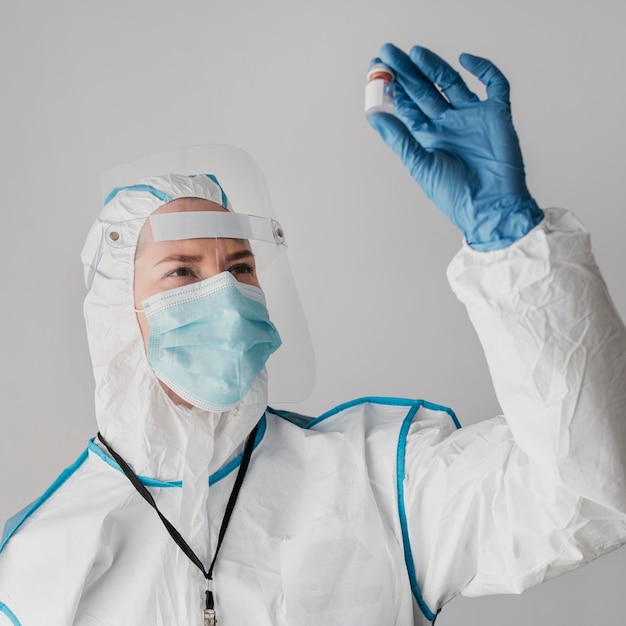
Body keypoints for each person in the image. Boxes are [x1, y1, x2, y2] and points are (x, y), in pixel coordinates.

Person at [1, 42, 625, 626]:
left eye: (241, 268)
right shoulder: (42, 557)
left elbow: (586, 492)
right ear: (117, 310)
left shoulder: (375, 474)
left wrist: (516, 248)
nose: (223, 293)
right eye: (183, 271)